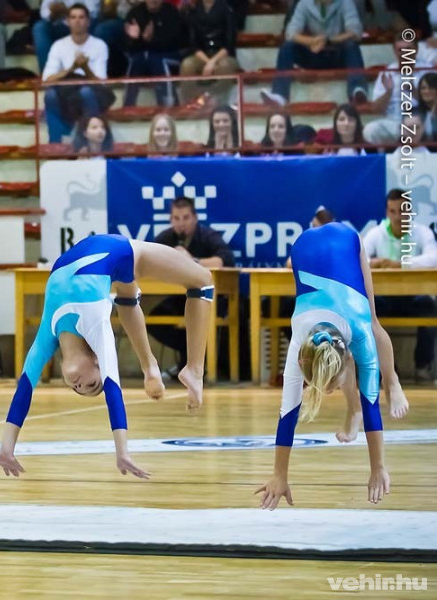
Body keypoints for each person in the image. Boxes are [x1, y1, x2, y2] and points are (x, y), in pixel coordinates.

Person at [0, 233, 214, 478]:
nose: (79, 385)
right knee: (202, 282)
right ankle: (189, 370)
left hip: (106, 261)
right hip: (126, 252)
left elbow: (23, 391)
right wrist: (122, 452)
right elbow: (113, 390)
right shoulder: (96, 325)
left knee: (132, 298)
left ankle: (153, 368)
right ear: (97, 360)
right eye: (90, 384)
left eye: (78, 388)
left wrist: (6, 448)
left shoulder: (48, 332)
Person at [255, 222, 408, 510]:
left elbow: (372, 403)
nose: (327, 393)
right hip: (302, 247)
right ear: (303, 363)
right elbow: (287, 415)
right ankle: (352, 412)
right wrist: (279, 475)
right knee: (359, 384)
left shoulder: (360, 332)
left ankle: (395, 383)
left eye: (332, 386)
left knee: (375, 322)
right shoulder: (299, 345)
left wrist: (379, 467)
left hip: (347, 240)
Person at [148, 196, 235, 377]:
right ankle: (187, 360)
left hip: (206, 298)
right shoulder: (165, 238)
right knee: (154, 320)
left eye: (186, 218)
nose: (181, 224)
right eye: (176, 219)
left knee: (202, 318)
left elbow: (224, 259)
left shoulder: (208, 236)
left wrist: (191, 261)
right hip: (177, 297)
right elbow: (147, 261)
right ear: (171, 219)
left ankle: (196, 364)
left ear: (194, 217)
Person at [363, 189, 437, 383]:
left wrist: (402, 264)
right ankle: (382, 368)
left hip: (414, 297)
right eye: (392, 211)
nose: (397, 216)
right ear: (387, 212)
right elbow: (358, 258)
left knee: (430, 308)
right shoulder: (376, 234)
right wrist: (374, 262)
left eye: (402, 211)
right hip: (385, 299)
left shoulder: (422, 232)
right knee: (367, 310)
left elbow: (434, 258)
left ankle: (422, 366)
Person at [260, 0, 366, 108]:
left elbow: (355, 32)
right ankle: (280, 94)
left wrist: (329, 40)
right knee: (288, 47)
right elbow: (290, 33)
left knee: (351, 45)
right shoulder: (304, 3)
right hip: (314, 54)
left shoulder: (345, 3)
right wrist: (311, 41)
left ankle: (356, 90)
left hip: (337, 53)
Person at [42, 4, 109, 144]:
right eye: (73, 17)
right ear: (67, 22)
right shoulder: (58, 46)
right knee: (50, 95)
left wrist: (85, 68)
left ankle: (89, 142)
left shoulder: (100, 45)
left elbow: (102, 83)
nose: (77, 21)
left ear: (88, 21)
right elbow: (46, 81)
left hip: (92, 93)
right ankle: (56, 143)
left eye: (81, 17)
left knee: (85, 92)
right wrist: (72, 69)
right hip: (66, 94)